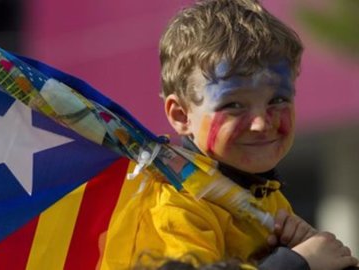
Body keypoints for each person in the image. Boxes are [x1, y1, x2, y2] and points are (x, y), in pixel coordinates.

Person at [102, 0, 358, 269]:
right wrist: (296, 263)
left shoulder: (266, 197)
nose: (261, 123)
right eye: (233, 105)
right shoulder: (174, 207)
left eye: (278, 100)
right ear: (181, 116)